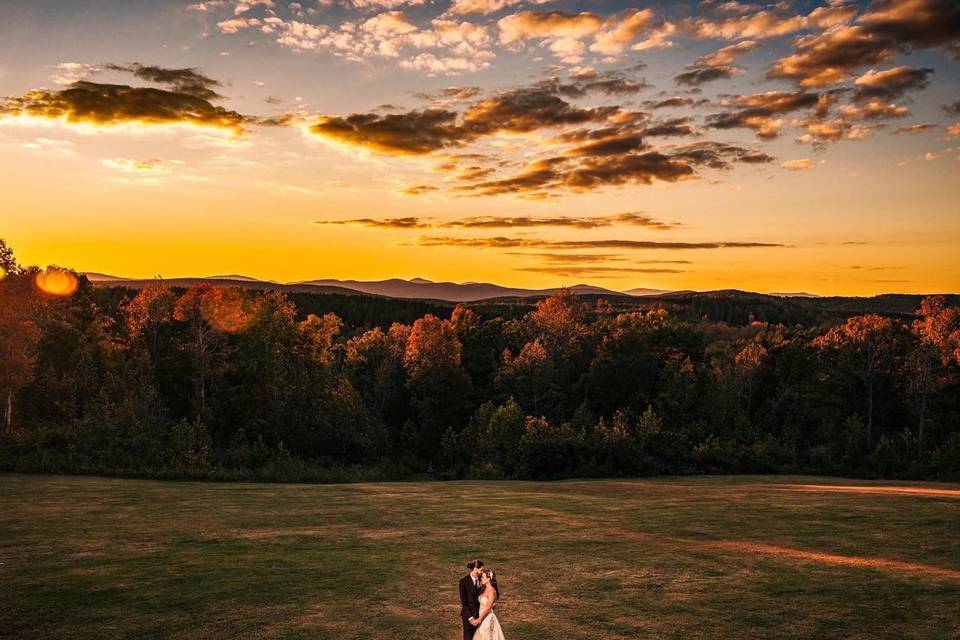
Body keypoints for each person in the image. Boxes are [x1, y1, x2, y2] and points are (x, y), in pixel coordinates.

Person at [471, 568, 506, 640]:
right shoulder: (484, 588)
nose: (481, 579)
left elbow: (488, 608)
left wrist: (479, 619)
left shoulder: (492, 592)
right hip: (483, 618)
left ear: (488, 579)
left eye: (483, 577)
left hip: (487, 619)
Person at [458, 560, 483, 640]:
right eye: (481, 570)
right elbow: (464, 602)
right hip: (468, 616)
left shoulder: (483, 580)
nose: (482, 572)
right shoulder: (463, 582)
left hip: (480, 616)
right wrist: (471, 618)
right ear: (475, 569)